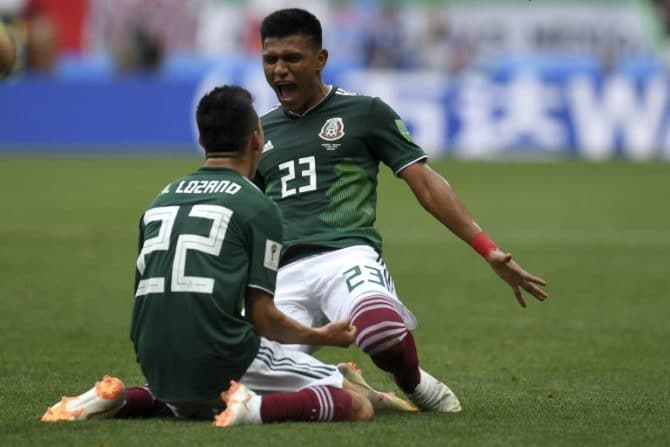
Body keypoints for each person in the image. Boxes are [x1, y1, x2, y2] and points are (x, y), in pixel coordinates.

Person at [41, 85, 415, 427]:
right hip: (223, 356)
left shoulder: (160, 199)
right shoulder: (258, 206)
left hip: (155, 359)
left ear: (202, 139)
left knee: (189, 398)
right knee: (356, 403)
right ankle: (253, 409)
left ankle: (117, 398)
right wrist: (322, 335)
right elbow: (264, 319)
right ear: (256, 139)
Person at [254, 8, 549, 412]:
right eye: (271, 60)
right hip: (282, 274)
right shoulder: (257, 132)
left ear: (320, 59)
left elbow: (426, 184)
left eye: (292, 58)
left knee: (379, 332)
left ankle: (413, 382)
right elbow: (243, 212)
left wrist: (487, 248)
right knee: (244, 379)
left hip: (345, 257)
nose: (280, 71)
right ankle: (347, 383)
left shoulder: (365, 112)